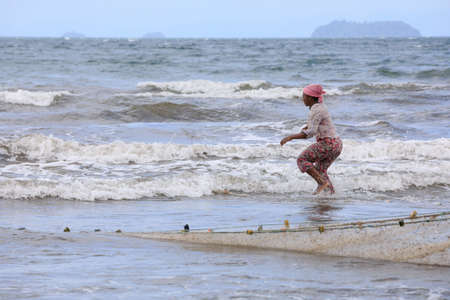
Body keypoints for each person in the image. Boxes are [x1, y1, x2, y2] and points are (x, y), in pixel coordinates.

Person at [280, 84, 342, 195]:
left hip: (328, 143)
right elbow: (315, 125)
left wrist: (291, 137)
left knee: (302, 160)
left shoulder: (316, 109)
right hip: (336, 144)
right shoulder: (319, 107)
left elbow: (311, 133)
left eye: (304, 96)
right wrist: (307, 127)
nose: (302, 98)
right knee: (320, 170)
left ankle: (322, 183)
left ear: (310, 97)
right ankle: (330, 195)